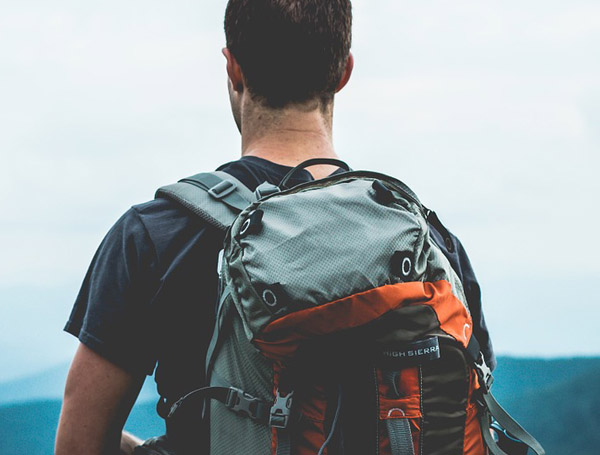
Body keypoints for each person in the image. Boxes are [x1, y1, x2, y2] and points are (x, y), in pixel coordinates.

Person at [55, 1, 494, 455]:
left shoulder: (153, 237)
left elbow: (78, 446)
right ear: (344, 72)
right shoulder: (429, 244)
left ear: (233, 68)